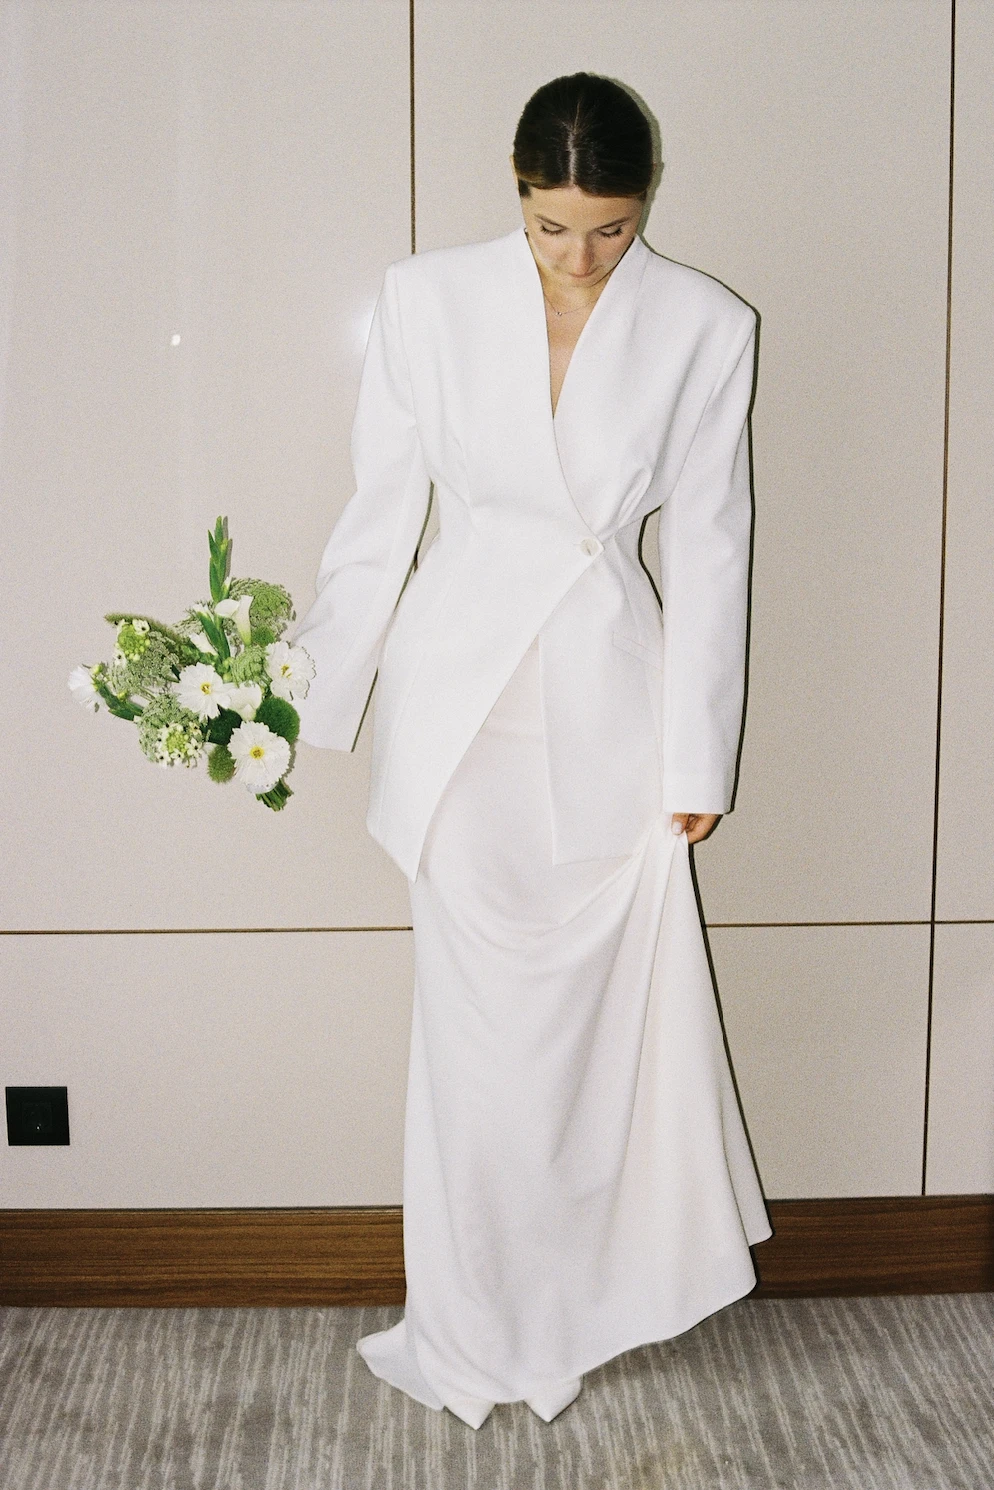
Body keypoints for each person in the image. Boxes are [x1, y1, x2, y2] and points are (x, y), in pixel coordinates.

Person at [290, 72, 771, 1430]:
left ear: (645, 201)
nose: (580, 255)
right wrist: (300, 692)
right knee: (477, 1043)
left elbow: (714, 546)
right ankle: (471, 1318)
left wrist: (697, 761)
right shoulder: (425, 300)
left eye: (609, 228)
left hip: (614, 712)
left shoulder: (706, 325)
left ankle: (574, 1305)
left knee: (587, 1045)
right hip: (460, 715)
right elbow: (380, 517)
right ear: (516, 194)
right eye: (552, 224)